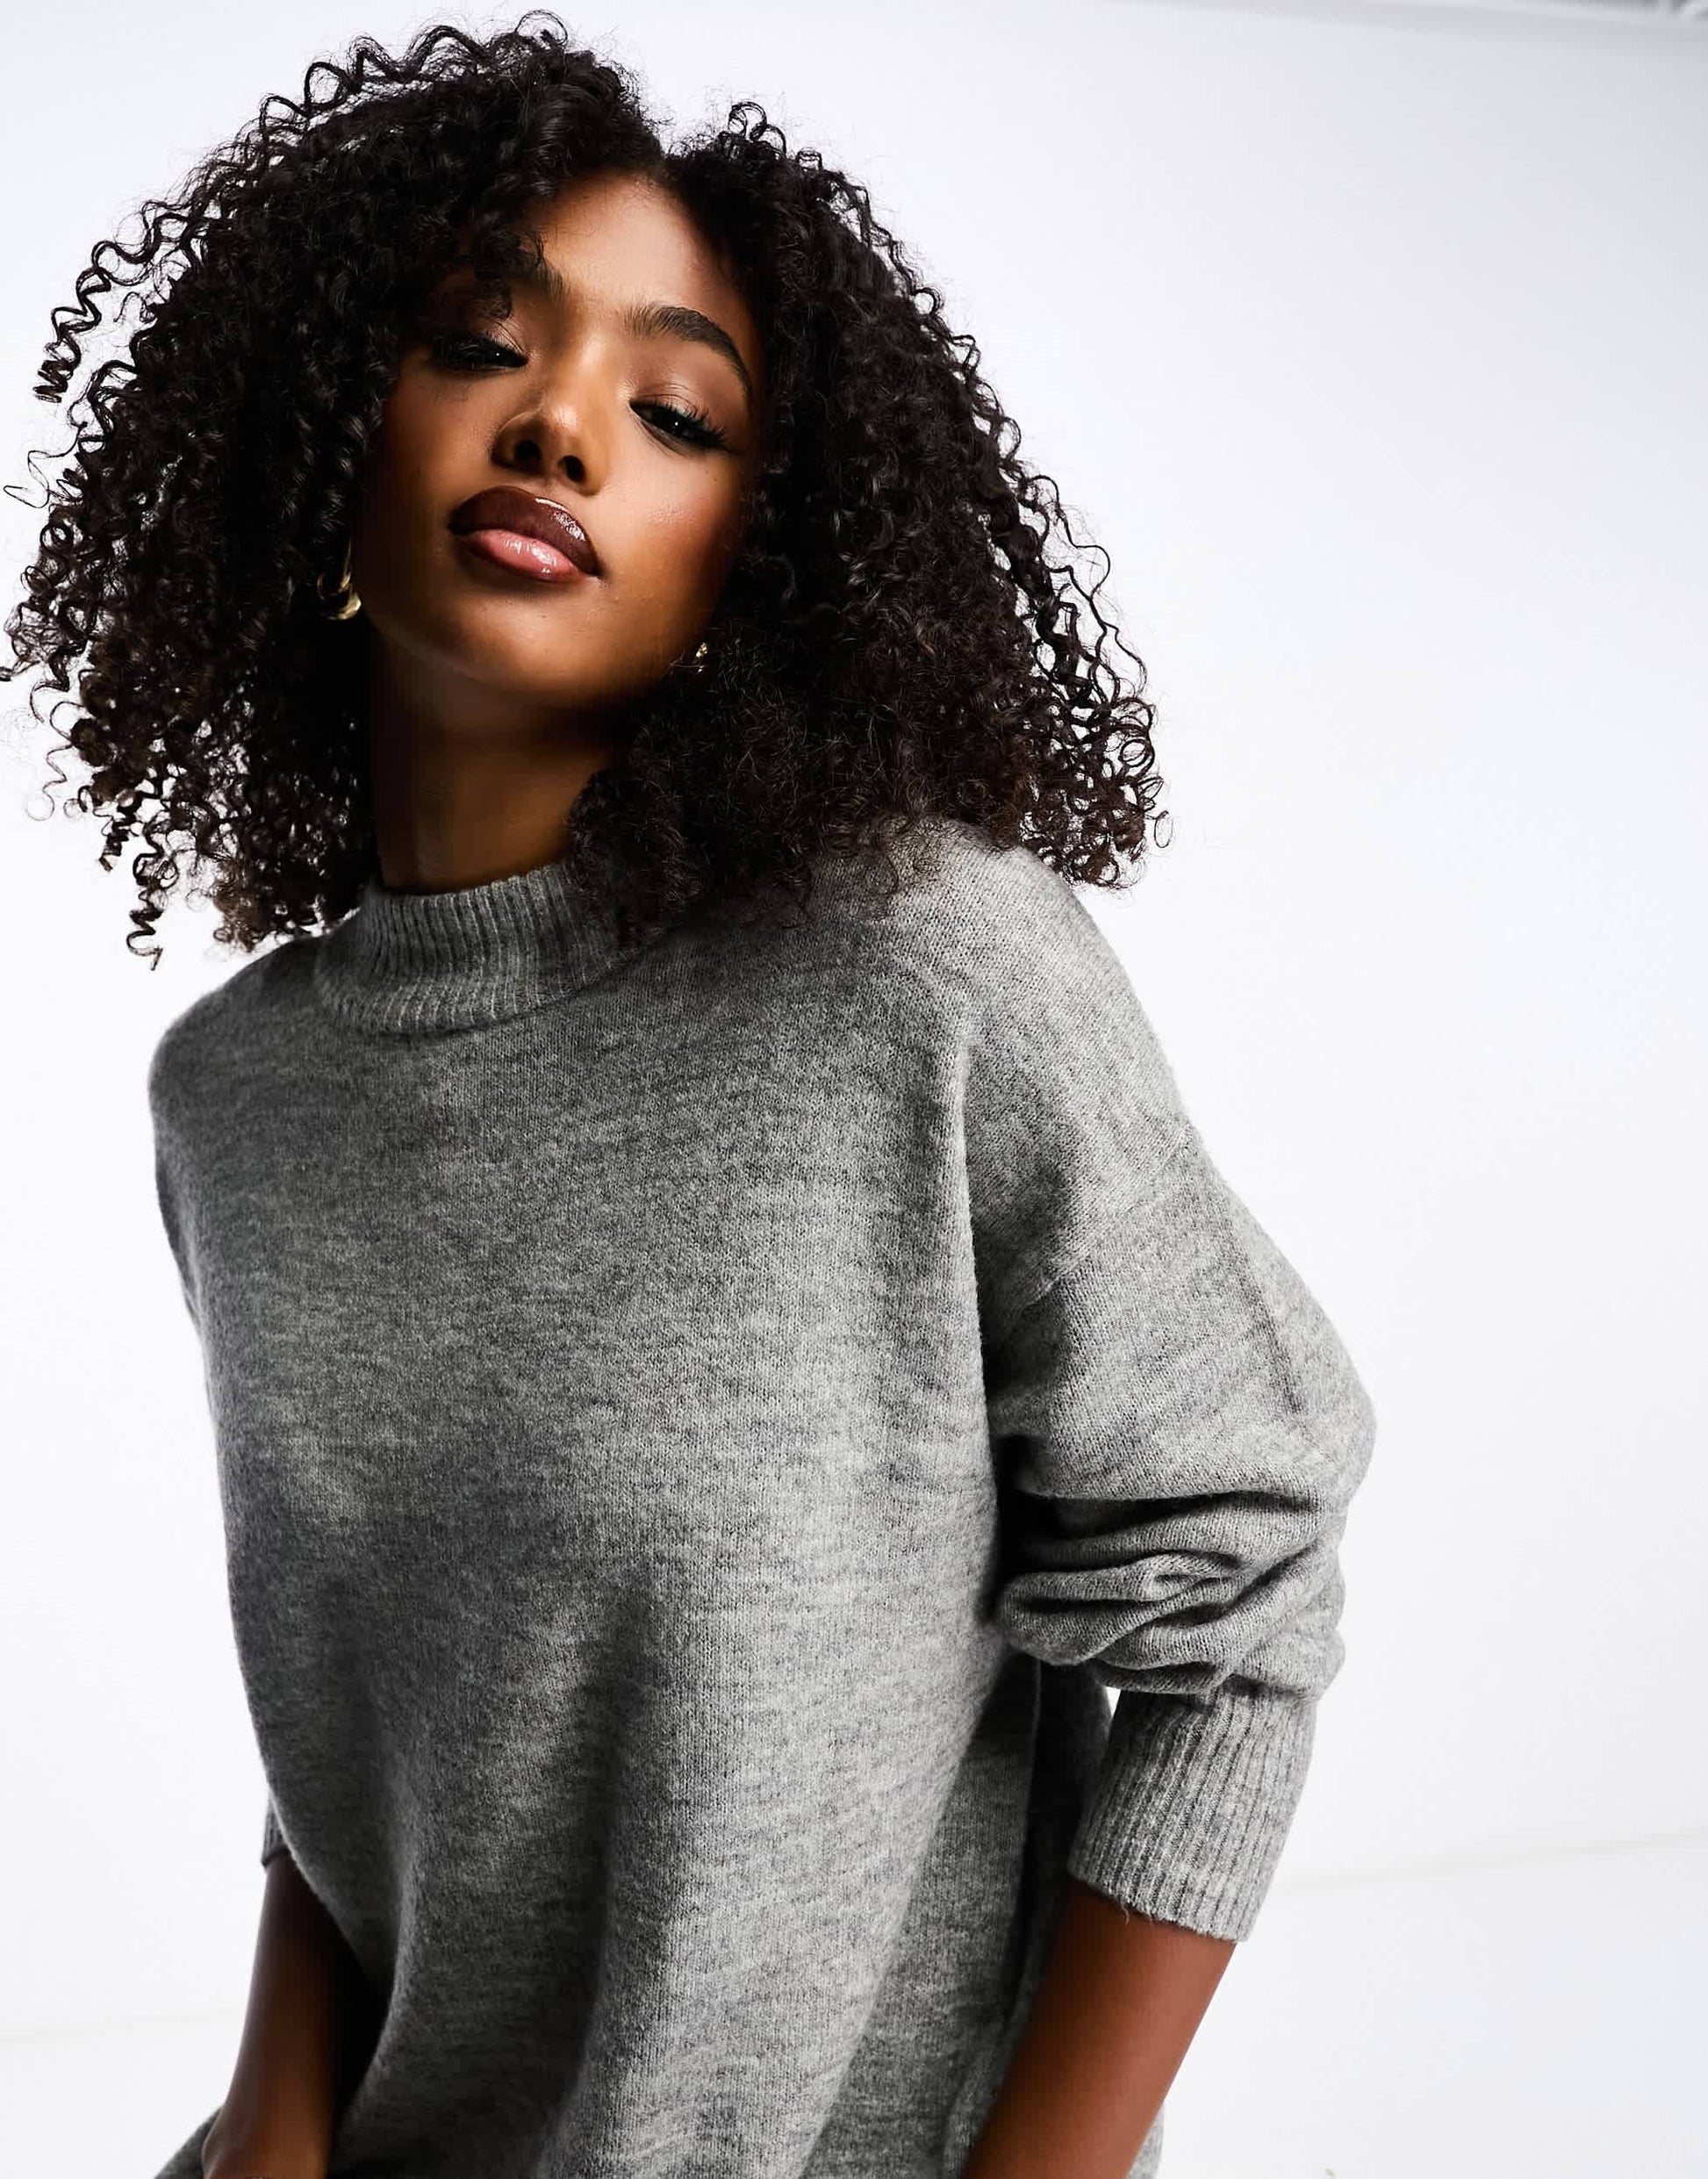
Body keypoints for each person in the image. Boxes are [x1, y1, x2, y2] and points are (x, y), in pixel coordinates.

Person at [5, 19, 1377, 2179]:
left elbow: (1239, 1611)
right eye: (479, 343)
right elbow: (386, 1714)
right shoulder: (241, 1096)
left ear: (757, 553)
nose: (559, 423)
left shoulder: (927, 975)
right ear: (329, 437)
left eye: (674, 412)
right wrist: (270, 2125)